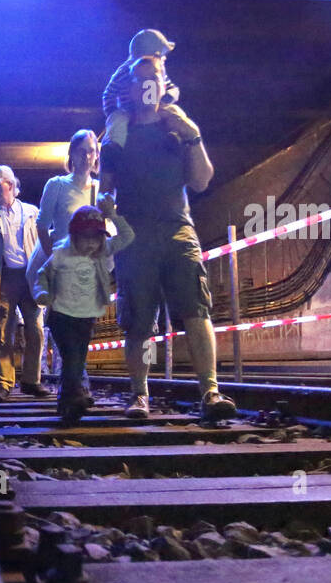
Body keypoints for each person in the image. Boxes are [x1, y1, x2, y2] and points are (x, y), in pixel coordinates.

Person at [99, 56, 235, 421]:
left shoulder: (178, 129)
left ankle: (210, 391)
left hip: (177, 230)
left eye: (154, 79)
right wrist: (106, 212)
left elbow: (201, 180)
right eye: (140, 80)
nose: (147, 86)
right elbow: (105, 189)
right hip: (135, 236)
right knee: (140, 321)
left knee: (195, 309)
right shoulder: (119, 135)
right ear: (130, 89)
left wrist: (193, 135)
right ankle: (140, 395)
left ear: (163, 85)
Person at [34, 199, 136, 423]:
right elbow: (42, 274)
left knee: (78, 360)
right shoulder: (61, 254)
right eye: (85, 237)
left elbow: (127, 236)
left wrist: (112, 215)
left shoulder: (101, 252)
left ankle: (65, 399)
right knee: (71, 357)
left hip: (86, 317)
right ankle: (73, 400)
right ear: (73, 235)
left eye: (96, 238)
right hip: (61, 316)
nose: (91, 244)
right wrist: (42, 292)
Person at [31, 129, 102, 403]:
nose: (87, 156)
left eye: (91, 151)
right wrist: (53, 261)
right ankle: (76, 387)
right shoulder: (57, 185)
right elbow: (42, 225)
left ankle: (72, 388)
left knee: (83, 328)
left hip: (87, 269)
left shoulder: (99, 190)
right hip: (62, 266)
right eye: (81, 151)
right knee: (64, 326)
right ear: (72, 154)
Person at [0, 165, 51, 401]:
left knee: (36, 330)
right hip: (4, 279)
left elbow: (44, 242)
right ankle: (4, 382)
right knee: (1, 331)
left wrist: (45, 273)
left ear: (11, 185)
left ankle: (31, 381)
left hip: (30, 276)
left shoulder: (32, 212)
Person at [101, 29, 184, 150]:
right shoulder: (124, 71)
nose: (164, 58)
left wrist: (168, 97)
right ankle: (115, 148)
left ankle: (176, 138)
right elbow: (109, 94)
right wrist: (112, 112)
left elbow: (172, 88)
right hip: (127, 111)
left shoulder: (159, 71)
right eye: (161, 55)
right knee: (118, 122)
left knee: (176, 112)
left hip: (156, 110)